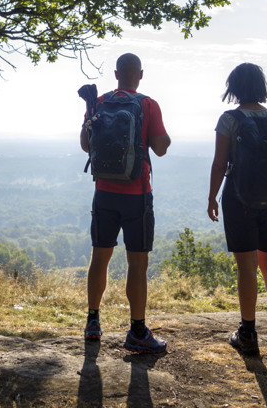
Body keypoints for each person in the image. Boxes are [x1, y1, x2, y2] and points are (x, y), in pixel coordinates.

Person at [80, 52, 171, 354]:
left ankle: (93, 321)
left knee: (100, 257)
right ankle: (137, 330)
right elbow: (160, 149)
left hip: (104, 191)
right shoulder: (147, 104)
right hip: (137, 196)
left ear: (116, 73)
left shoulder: (100, 102)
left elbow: (85, 144)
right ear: (140, 75)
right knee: (137, 263)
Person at [206, 62, 267, 356]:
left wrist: (212, 197)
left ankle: (247, 334)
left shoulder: (229, 119)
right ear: (261, 87)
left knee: (247, 267)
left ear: (234, 88)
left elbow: (220, 163)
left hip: (239, 200)